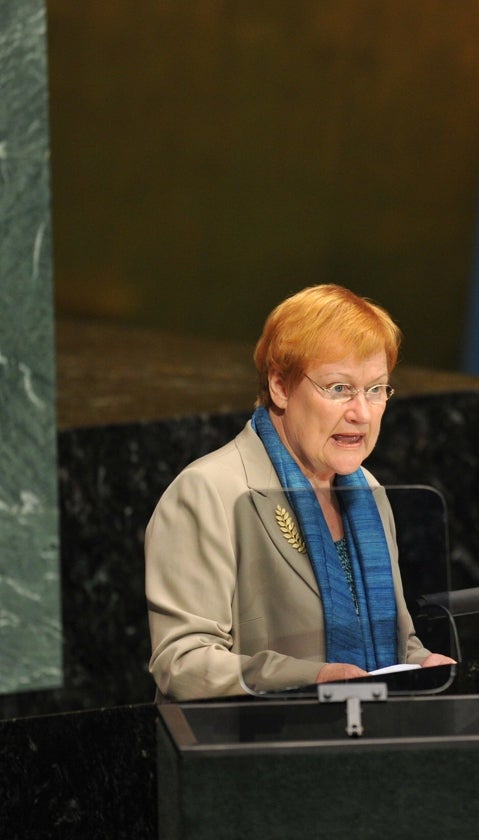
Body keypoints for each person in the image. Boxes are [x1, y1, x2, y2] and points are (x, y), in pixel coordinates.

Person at [146, 284, 455, 700]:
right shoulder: (207, 492)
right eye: (339, 388)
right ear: (280, 386)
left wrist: (420, 664)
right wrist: (311, 680)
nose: (361, 413)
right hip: (264, 751)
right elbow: (182, 665)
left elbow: (391, 643)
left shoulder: (369, 491)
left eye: (376, 389)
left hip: (372, 744)